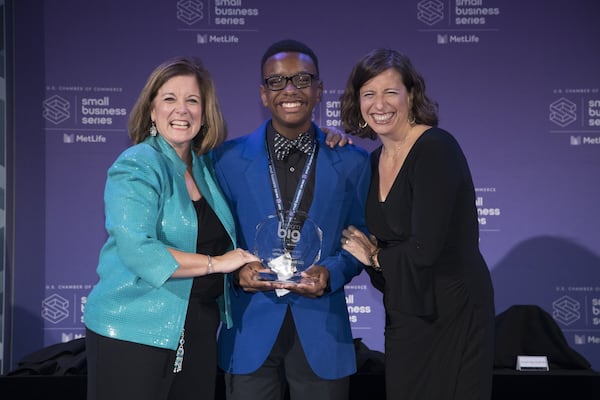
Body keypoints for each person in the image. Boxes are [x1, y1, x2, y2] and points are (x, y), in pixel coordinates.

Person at [83, 56, 260, 400]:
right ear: (151, 110)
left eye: (192, 100)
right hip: (134, 329)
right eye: (169, 99)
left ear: (205, 112)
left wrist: (325, 137)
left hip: (198, 330)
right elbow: (139, 251)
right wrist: (217, 263)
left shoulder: (206, 167)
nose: (182, 110)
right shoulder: (138, 163)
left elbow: (262, 151)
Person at [212, 39, 371, 400]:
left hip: (322, 331)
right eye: (277, 82)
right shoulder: (226, 160)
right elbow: (214, 236)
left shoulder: (352, 162)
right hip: (249, 329)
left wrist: (332, 272)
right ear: (263, 95)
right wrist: (236, 273)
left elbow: (361, 236)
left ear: (318, 91)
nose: (289, 90)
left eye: (302, 80)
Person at [339, 48, 496, 400]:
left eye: (390, 92)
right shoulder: (373, 160)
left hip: (453, 310)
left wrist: (376, 257)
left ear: (411, 95)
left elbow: (424, 248)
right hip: (406, 312)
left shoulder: (436, 148)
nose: (380, 104)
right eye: (369, 94)